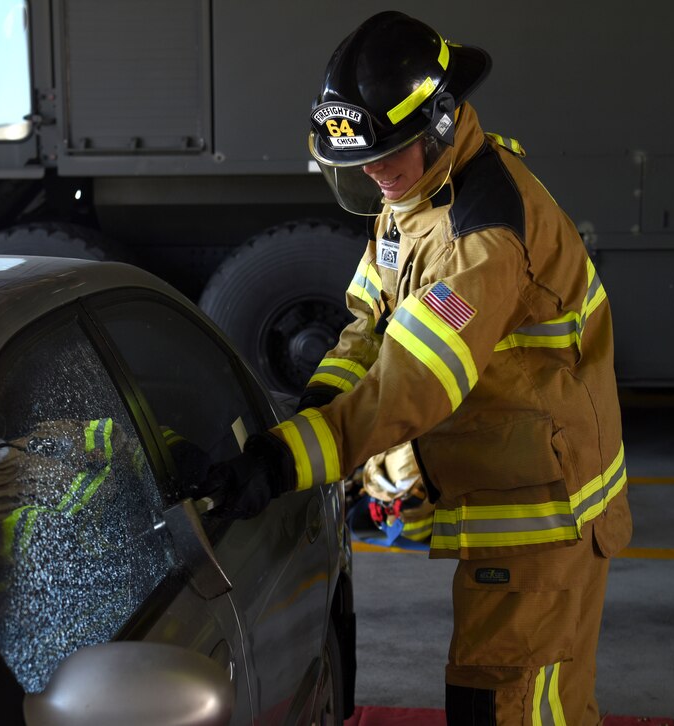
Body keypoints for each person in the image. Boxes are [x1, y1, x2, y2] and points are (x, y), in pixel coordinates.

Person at [198, 10, 632, 725]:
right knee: (493, 696)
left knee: (514, 708)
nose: (372, 173)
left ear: (438, 123)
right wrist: (312, 412)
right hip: (506, 483)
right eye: (360, 161)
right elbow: (369, 324)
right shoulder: (412, 196)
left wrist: (285, 462)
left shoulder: (480, 238)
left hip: (546, 510)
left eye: (386, 155)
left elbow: (413, 383)